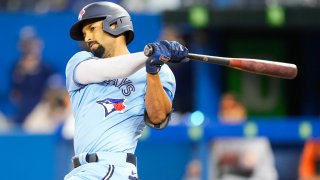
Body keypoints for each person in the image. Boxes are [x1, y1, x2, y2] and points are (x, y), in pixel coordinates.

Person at [64, 2, 189, 180]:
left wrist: (152, 72)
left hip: (114, 168)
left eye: (92, 28)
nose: (88, 38)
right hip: (81, 171)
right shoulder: (79, 62)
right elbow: (108, 70)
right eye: (84, 33)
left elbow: (158, 118)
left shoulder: (160, 71)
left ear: (115, 25)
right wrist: (149, 54)